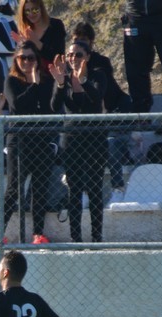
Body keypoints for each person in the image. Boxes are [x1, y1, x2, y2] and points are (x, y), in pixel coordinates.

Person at [51, 43, 107, 242]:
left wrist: (82, 80)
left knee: (94, 189)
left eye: (78, 55)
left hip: (94, 141)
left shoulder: (97, 75)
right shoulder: (64, 78)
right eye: (70, 55)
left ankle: (97, 237)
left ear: (88, 56)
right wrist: (60, 84)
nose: (73, 58)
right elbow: (54, 106)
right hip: (71, 141)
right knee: (74, 191)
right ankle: (76, 238)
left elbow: (96, 99)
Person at [71, 22, 133, 202]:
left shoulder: (100, 66)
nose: (79, 45)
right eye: (76, 40)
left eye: (83, 40)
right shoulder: (69, 66)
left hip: (112, 113)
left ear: (91, 44)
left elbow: (102, 94)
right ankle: (80, 191)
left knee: (110, 144)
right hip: (86, 121)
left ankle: (118, 188)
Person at [2, 40, 57, 244]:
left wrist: (38, 84)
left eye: (31, 58)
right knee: (14, 188)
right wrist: (33, 84)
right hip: (19, 142)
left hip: (41, 141)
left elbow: (48, 108)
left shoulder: (46, 81)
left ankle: (38, 234)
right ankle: (0, 232)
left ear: (37, 59)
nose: (26, 62)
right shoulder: (11, 81)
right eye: (22, 58)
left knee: (40, 188)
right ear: (16, 60)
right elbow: (17, 105)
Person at [16, 0, 65, 70]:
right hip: (33, 73)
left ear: (41, 8)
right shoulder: (24, 31)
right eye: (27, 11)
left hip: (55, 72)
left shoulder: (56, 25)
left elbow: (58, 57)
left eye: (34, 10)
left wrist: (36, 42)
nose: (31, 14)